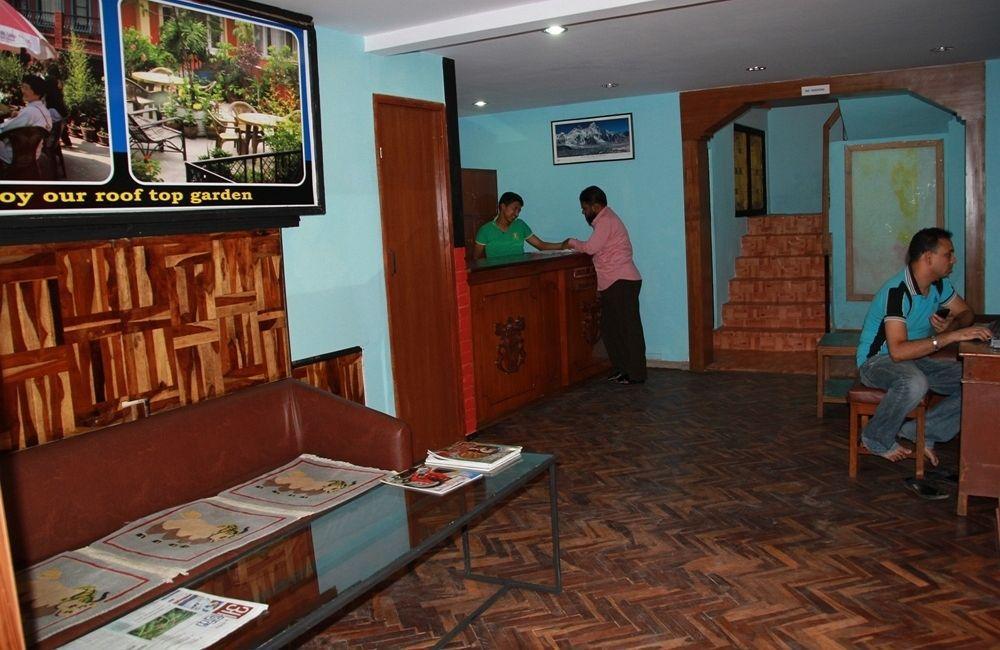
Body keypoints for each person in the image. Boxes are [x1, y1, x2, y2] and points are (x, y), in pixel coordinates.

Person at [855, 227, 991, 465]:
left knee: (979, 377)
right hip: (878, 361)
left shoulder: (939, 285)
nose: (953, 260)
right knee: (914, 382)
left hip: (914, 358)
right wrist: (950, 337)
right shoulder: (897, 292)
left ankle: (922, 431)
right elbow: (897, 352)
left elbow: (967, 313)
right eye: (948, 254)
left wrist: (951, 324)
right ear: (928, 257)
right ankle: (874, 439)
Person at [564, 185, 646, 384]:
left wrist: (572, 242)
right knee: (611, 329)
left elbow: (591, 248)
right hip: (612, 283)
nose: (584, 212)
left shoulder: (606, 220)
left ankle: (636, 374)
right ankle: (621, 369)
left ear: (596, 206)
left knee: (628, 329)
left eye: (585, 208)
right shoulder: (604, 220)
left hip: (622, 281)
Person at [474, 191, 563, 258]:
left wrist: (564, 245)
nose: (516, 214)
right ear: (503, 206)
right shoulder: (485, 230)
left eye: (519, 211)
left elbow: (541, 245)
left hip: (519, 273)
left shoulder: (520, 225)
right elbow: (476, 259)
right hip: (497, 276)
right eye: (514, 209)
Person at [0, 74, 53, 166]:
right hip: (33, 154)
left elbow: (3, 130)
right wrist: (18, 116)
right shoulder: (44, 110)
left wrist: (9, 120)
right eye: (22, 87)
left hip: (15, 155)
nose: (22, 91)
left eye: (26, 88)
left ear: (37, 91)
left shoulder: (29, 112)